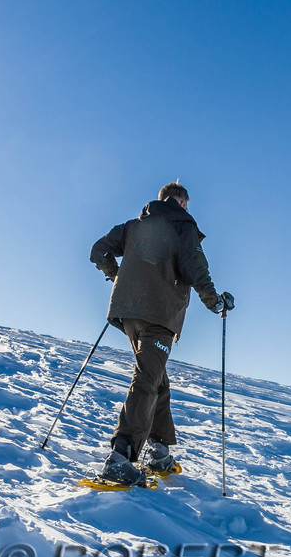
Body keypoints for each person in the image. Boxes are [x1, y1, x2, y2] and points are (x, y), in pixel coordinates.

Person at [90, 181, 232, 485]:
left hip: (128, 314)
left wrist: (117, 277)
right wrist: (216, 302)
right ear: (181, 203)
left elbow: (98, 250)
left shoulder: (133, 226)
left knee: (155, 379)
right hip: (160, 315)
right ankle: (120, 457)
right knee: (146, 380)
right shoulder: (183, 226)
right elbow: (196, 270)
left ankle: (158, 450)